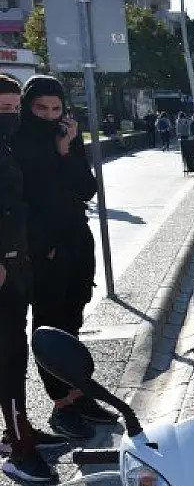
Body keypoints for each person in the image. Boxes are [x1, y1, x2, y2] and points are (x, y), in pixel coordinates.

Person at [15, 75, 116, 442]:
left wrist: (67, 149)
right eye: (40, 108)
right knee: (49, 325)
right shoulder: (17, 142)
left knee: (72, 320)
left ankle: (77, 393)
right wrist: (45, 247)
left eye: (55, 108)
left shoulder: (65, 138)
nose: (48, 115)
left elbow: (87, 187)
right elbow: (26, 200)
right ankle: (61, 404)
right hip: (44, 249)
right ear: (28, 107)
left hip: (76, 240)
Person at [0, 73, 66, 483]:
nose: (8, 115)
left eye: (11, 109)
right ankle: (16, 448)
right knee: (6, 359)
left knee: (16, 351)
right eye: (0, 109)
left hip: (16, 264)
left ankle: (21, 430)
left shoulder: (6, 147)